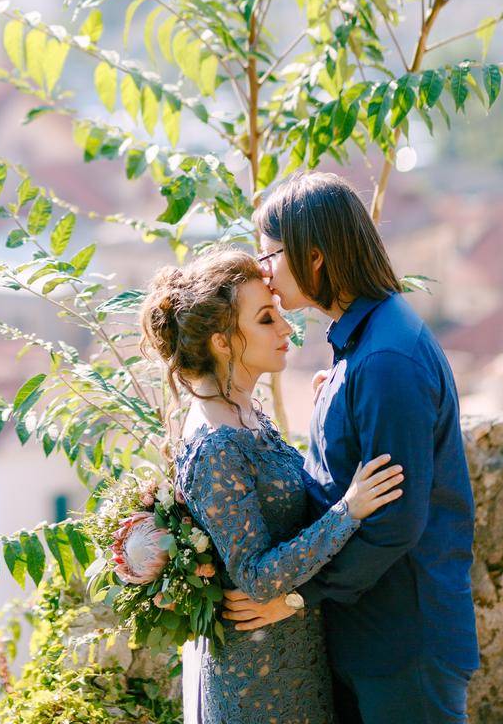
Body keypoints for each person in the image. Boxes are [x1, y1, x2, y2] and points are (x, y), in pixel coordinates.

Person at [223, 169, 479, 724]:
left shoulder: (387, 360)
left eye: (270, 255)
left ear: (314, 256)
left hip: (403, 641)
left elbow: (395, 522)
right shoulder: (363, 343)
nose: (264, 274)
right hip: (374, 633)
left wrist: (292, 597)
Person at [140, 248, 404, 724]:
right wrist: (349, 510)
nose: (286, 329)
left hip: (292, 656)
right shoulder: (216, 446)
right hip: (259, 682)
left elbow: (278, 498)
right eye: (266, 319)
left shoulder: (243, 412)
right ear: (223, 342)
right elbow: (257, 577)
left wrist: (329, 408)